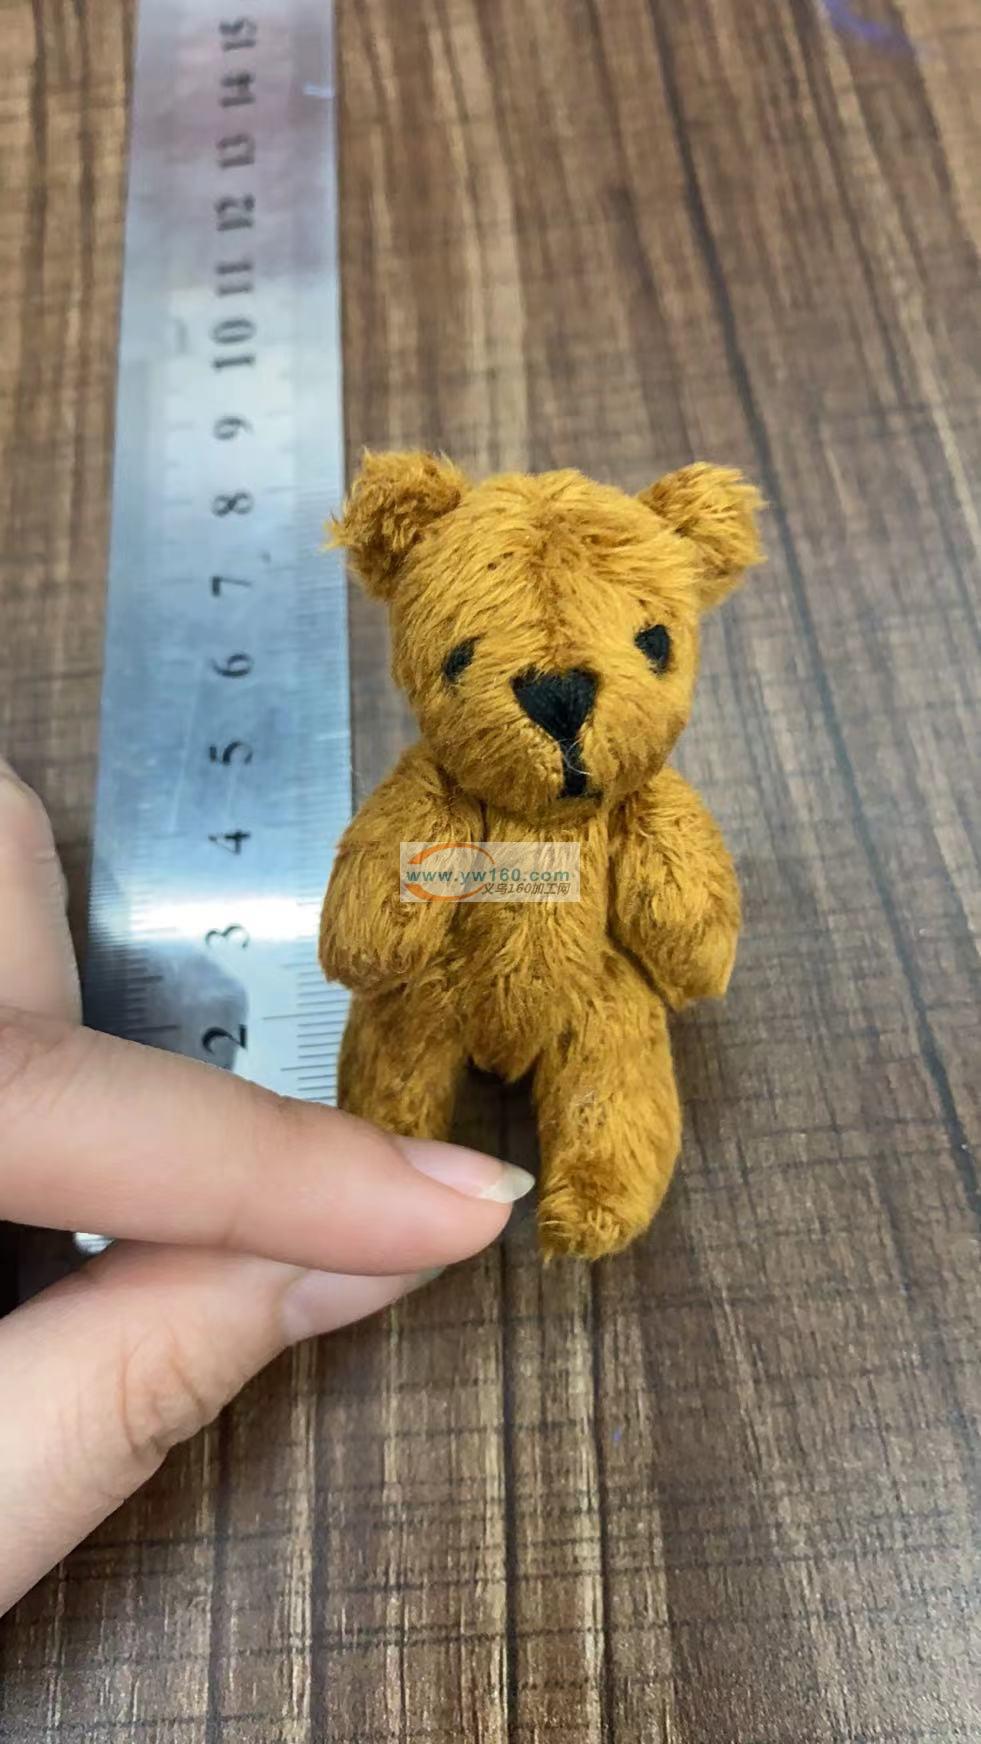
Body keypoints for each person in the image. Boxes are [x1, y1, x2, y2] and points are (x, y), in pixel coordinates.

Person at [0, 756, 531, 1615]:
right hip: (433, 996)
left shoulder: (617, 822)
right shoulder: (432, 799)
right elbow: (379, 896)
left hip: (580, 990)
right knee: (403, 1060)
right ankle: (397, 1142)